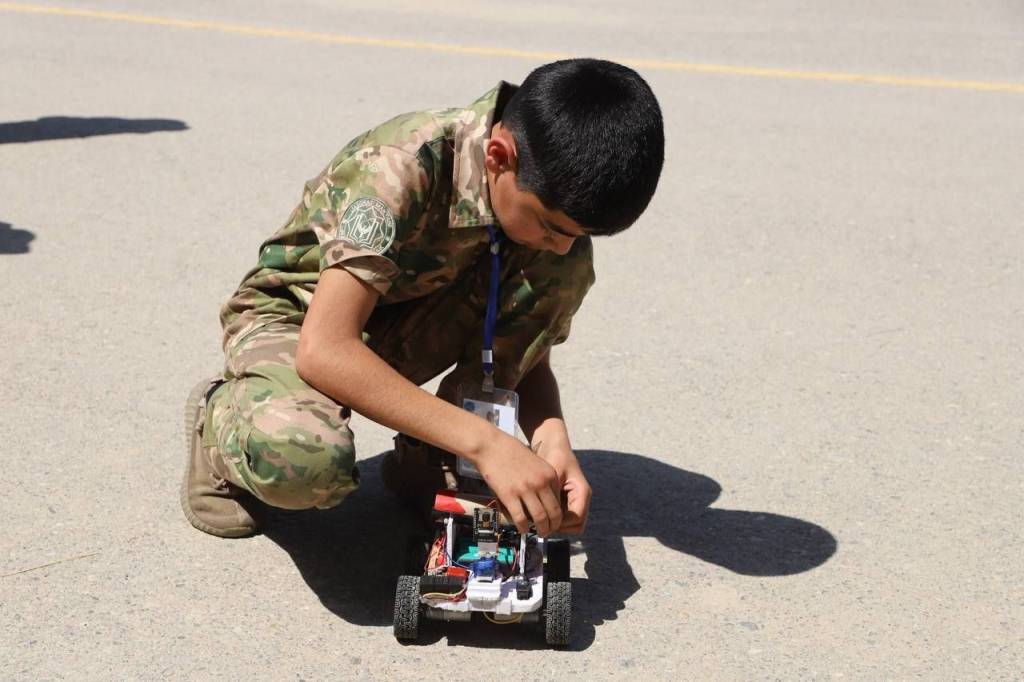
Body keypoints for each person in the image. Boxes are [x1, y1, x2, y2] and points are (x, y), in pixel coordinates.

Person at [181, 58, 664, 540]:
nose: (560, 246)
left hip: (397, 322)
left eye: (577, 234)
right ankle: (221, 421)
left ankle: (426, 459)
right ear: (499, 157)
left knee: (566, 270)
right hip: (300, 322)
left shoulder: (543, 212)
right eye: (552, 228)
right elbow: (324, 348)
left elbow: (523, 348)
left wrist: (551, 440)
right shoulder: (401, 164)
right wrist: (486, 443)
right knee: (305, 464)